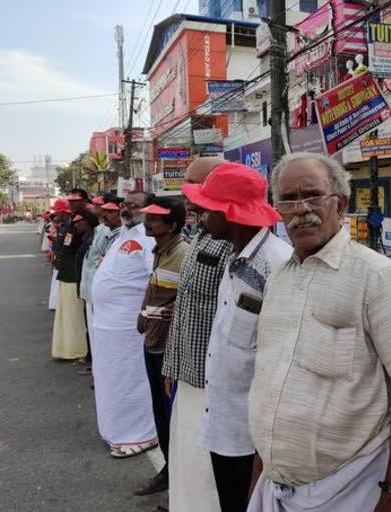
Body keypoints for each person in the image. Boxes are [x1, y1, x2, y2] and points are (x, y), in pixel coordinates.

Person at [247, 153, 391, 512]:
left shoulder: (374, 275)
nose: (301, 210)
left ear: (340, 204)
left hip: (350, 487)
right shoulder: (280, 278)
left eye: (313, 195)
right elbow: (272, 384)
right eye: (288, 199)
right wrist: (260, 476)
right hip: (275, 488)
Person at [183, 162, 292, 512]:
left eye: (206, 209)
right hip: (226, 421)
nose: (200, 217)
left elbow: (282, 358)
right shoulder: (236, 257)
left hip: (253, 436)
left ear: (229, 213)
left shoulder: (276, 265)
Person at [162, 157, 233, 512]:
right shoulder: (198, 234)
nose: (187, 194)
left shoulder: (233, 242)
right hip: (186, 374)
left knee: (208, 473)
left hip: (214, 383)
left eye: (194, 185)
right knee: (185, 460)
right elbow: (185, 307)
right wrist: (171, 366)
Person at [90, 191, 158, 458]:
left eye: (134, 205)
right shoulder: (122, 236)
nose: (127, 209)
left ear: (149, 209)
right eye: (125, 205)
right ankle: (115, 430)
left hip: (129, 327)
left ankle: (141, 434)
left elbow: (156, 280)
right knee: (110, 380)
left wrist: (147, 314)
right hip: (106, 327)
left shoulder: (147, 238)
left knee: (131, 380)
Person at [133, 197, 189, 499]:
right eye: (148, 217)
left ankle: (175, 475)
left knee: (171, 416)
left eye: (155, 219)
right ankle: (170, 470)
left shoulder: (183, 255)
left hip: (167, 349)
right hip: (153, 343)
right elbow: (156, 291)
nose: (148, 223)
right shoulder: (160, 251)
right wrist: (145, 314)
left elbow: (187, 301)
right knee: (160, 412)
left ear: (172, 226)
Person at [77, 194, 118, 376]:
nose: (96, 208)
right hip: (89, 285)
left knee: (97, 329)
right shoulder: (100, 229)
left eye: (109, 210)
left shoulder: (106, 232)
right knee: (92, 328)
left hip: (96, 284)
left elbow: (102, 257)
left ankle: (98, 365)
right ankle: (96, 364)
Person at [50, 195, 89, 360]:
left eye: (75, 203)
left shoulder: (79, 226)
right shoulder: (69, 224)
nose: (72, 206)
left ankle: (76, 349)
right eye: (70, 203)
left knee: (74, 316)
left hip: (74, 274)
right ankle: (66, 349)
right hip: (66, 272)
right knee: (66, 314)